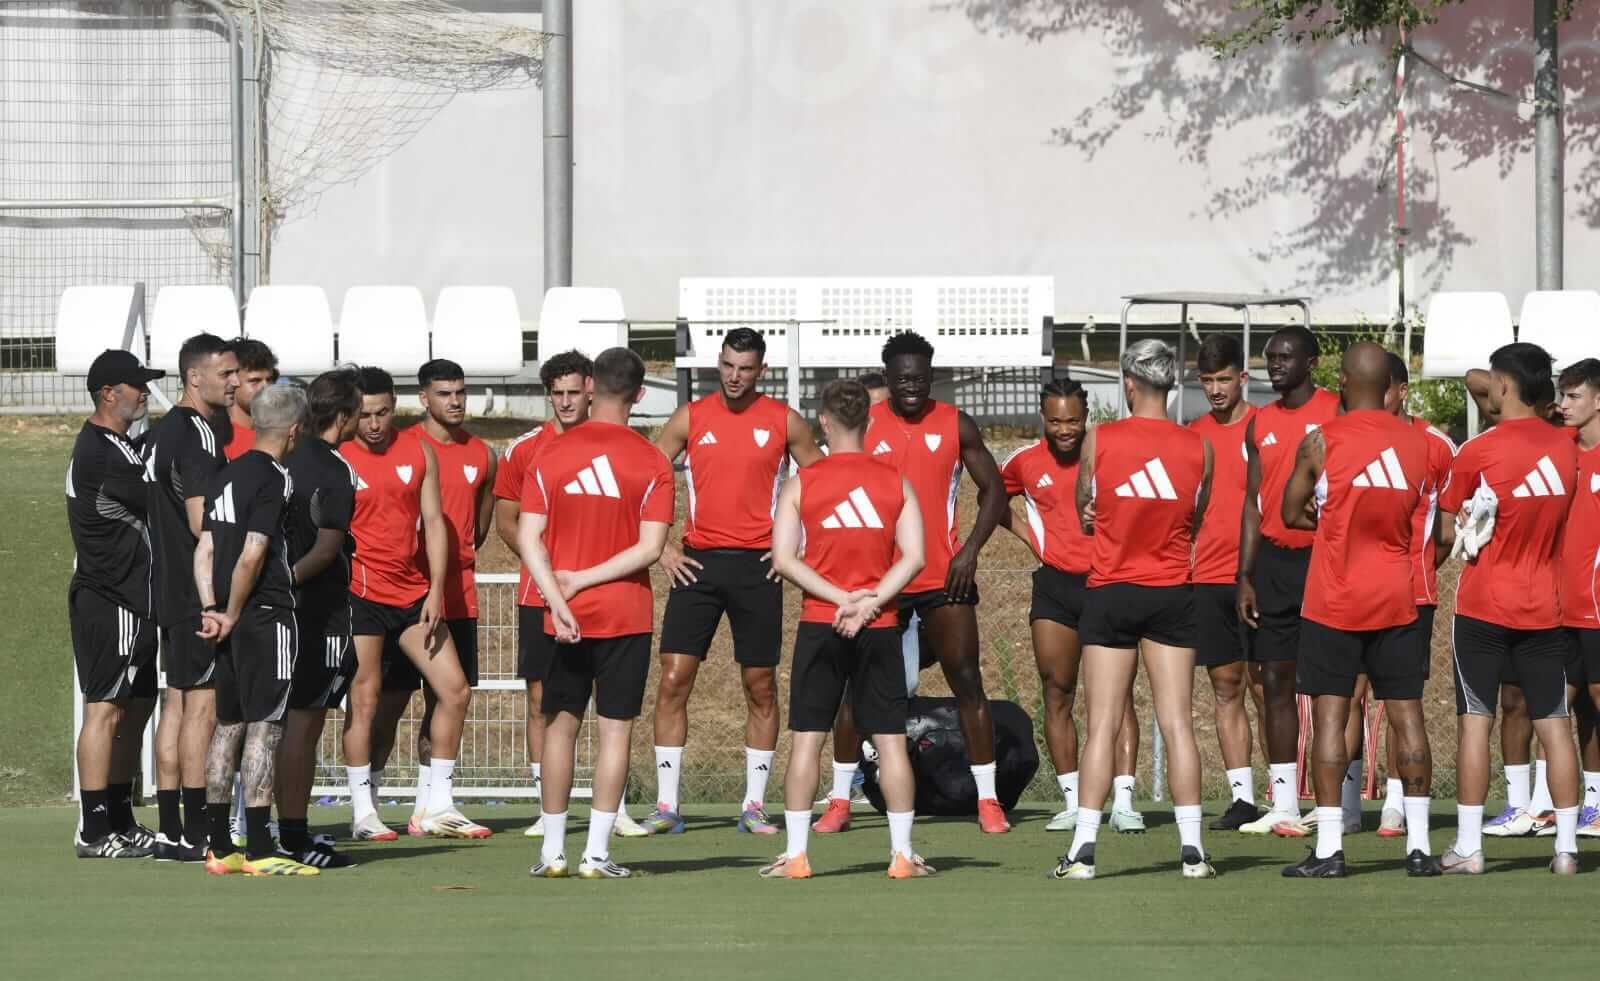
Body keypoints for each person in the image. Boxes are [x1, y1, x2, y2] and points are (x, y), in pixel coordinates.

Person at [827, 330, 1013, 835]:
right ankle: (840, 800)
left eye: (921, 378)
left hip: (942, 578)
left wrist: (969, 551)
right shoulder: (865, 425)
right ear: (887, 378)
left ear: (932, 377)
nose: (912, 386)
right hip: (879, 581)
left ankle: (988, 801)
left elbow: (995, 492)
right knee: (856, 690)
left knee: (967, 681)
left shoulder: (956, 423)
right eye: (903, 378)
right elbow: (836, 489)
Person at [644, 328, 822, 836]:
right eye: (727, 365)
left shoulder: (784, 421)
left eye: (745, 368)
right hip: (697, 565)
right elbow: (646, 477)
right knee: (673, 679)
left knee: (760, 684)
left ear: (761, 370)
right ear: (716, 364)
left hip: (758, 568)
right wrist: (662, 547)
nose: (734, 376)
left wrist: (794, 548)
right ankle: (666, 805)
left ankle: (754, 805)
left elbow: (823, 484)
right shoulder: (690, 417)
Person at [1054, 339, 1214, 880]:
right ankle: (1193, 851)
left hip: (1112, 589)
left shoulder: (1101, 438)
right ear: (1171, 384)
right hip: (1172, 590)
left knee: (1100, 725)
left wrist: (1102, 516)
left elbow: (1083, 508)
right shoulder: (1200, 447)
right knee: (1178, 724)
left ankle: (1083, 850)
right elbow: (1196, 516)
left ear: (1128, 383)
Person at [762, 379, 933, 879]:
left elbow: (783, 559)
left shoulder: (803, 482)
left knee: (807, 740)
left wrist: (841, 600)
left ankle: (797, 856)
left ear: (824, 422)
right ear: (869, 422)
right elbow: (915, 558)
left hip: (822, 622)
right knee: (890, 741)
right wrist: (870, 602)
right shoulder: (895, 481)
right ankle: (901, 855)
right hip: (880, 625)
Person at [1276, 342, 1436, 877]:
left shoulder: (1320, 441)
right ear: (1389, 384)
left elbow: (1288, 512)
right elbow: (1422, 519)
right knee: (1407, 715)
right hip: (1397, 595)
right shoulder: (1420, 445)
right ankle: (1418, 848)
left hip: (1334, 598)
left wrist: (1330, 525)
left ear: (1343, 381)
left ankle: (1329, 850)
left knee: (1331, 716)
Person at [520, 347, 674, 879]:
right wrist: (585, 580)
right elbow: (651, 548)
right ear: (640, 394)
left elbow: (529, 538)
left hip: (564, 615)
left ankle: (552, 853)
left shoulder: (550, 454)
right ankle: (597, 854)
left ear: (589, 386)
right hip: (626, 614)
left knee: (559, 728)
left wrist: (559, 597)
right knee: (615, 732)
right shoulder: (652, 460)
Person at [1438, 342, 1581, 875]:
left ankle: (1469, 848)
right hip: (1545, 604)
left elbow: (1447, 528)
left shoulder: (1478, 450)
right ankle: (1566, 849)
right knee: (1555, 724)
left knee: (1475, 722)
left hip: (1484, 603)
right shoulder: (1568, 444)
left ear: (1501, 385)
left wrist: (1468, 522)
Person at [494, 350, 651, 838]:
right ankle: (550, 812)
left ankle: (612, 810)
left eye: (572, 392)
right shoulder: (528, 449)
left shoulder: (625, 451)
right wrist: (549, 572)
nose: (564, 402)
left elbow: (644, 530)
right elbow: (509, 523)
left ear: (590, 390)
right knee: (545, 701)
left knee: (608, 710)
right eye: (556, 393)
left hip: (593, 596)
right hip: (541, 594)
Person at [339, 367, 483, 840]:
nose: (374, 423)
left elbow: (434, 522)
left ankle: (437, 806)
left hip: (412, 594)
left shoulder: (418, 451)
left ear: (395, 407)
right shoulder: (339, 456)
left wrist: (436, 587)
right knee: (365, 700)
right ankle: (364, 812)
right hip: (360, 595)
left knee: (455, 690)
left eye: (382, 413)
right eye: (365, 415)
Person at [997, 379, 1144, 834]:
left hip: (1109, 584)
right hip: (1055, 588)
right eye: (1056, 421)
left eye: (1074, 421)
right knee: (1057, 690)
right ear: (1043, 418)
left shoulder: (1112, 453)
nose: (1065, 429)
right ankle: (1072, 800)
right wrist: (1032, 540)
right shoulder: (1023, 461)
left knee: (1116, 696)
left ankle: (1124, 803)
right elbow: (991, 498)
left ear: (1087, 418)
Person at [194, 384, 319, 876]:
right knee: (265, 727)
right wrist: (233, 611)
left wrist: (212, 608)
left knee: (228, 724)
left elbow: (205, 549)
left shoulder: (226, 474)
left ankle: (219, 846)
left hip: (226, 618)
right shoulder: (275, 477)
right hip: (264, 615)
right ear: (294, 430)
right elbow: (254, 551)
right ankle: (263, 849)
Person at [375, 359, 496, 837]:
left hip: (458, 595)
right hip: (402, 595)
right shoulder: (403, 446)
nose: (455, 401)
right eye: (444, 393)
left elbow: (477, 529)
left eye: (460, 392)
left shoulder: (482, 455)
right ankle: (367, 807)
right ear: (423, 398)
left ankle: (431, 807)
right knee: (386, 704)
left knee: (447, 698)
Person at [1235, 325, 1340, 835]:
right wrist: (1244, 575)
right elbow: (1253, 504)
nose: (1275, 364)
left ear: (1311, 363)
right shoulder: (1259, 422)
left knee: (1332, 686)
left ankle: (1339, 802)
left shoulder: (1338, 411)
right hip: (1275, 566)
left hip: (1326, 560)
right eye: (1270, 356)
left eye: (1285, 356)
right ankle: (1283, 804)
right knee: (1275, 680)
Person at [68, 350, 166, 858]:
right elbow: (159, 502)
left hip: (136, 600)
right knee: (105, 709)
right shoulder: (102, 453)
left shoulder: (119, 445)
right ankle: (93, 828)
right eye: (136, 385)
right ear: (109, 394)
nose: (145, 392)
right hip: (112, 598)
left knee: (135, 709)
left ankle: (121, 818)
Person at [146, 333, 238, 859]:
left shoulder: (160, 433)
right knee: (201, 706)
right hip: (195, 589)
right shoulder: (199, 433)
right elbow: (202, 520)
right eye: (225, 373)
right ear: (194, 378)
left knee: (178, 703)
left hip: (167, 586)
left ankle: (170, 827)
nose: (233, 382)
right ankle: (198, 829)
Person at [274, 369, 362, 869]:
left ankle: (270, 828)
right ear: (344, 416)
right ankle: (293, 836)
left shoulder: (285, 457)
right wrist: (286, 584)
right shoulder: (334, 468)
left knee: (279, 723)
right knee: (303, 726)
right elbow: (327, 548)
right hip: (317, 612)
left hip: (278, 614)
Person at [1370, 353, 1456, 839]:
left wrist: (1418, 569)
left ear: (1402, 390)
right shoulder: (1348, 438)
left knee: (1401, 701)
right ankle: (1343, 806)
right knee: (1345, 698)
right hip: (1352, 594)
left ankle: (1395, 803)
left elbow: (1445, 532)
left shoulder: (1436, 445)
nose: (1373, 396)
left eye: (1383, 387)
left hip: (1410, 596)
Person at [1187, 334, 1266, 831]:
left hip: (1259, 577)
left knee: (1267, 688)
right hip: (1207, 577)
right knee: (1225, 687)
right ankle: (1243, 800)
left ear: (1243, 377)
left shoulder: (1265, 427)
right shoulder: (1192, 435)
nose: (1216, 389)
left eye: (1223, 379)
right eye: (1207, 381)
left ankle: (1284, 797)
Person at [1555, 358, 1600, 837]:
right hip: (1557, 605)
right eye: (1561, 395)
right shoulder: (1558, 452)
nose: (1563, 404)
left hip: (1597, 606)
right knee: (1564, 706)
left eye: (1573, 396)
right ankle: (1586, 802)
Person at [221, 338, 278, 460]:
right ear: (232, 382)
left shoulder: (282, 435)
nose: (266, 387)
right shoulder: (217, 439)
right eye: (255, 381)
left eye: (269, 380)